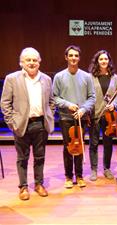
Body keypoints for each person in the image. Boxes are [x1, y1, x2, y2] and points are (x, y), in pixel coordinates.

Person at [0, 47, 55, 200]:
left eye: (34, 60)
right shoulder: (12, 78)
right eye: (28, 60)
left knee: (40, 156)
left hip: (40, 124)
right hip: (21, 125)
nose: (31, 63)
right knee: (22, 158)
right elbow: (5, 103)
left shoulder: (46, 79)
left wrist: (49, 115)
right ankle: (23, 187)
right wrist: (12, 123)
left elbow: (51, 101)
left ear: (39, 62)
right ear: (21, 62)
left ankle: (39, 183)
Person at [52, 45, 96, 189]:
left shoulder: (86, 76)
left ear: (79, 58)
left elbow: (92, 97)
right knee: (68, 147)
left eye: (76, 56)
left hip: (81, 118)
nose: (73, 58)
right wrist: (67, 104)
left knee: (79, 146)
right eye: (70, 55)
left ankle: (80, 175)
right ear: (66, 57)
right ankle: (68, 176)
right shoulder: (59, 76)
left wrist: (83, 109)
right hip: (65, 117)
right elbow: (55, 98)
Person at [88, 50, 117, 181]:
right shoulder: (90, 77)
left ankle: (107, 168)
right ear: (97, 61)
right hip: (95, 114)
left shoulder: (114, 77)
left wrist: (115, 105)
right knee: (93, 143)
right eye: (101, 59)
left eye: (106, 59)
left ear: (109, 61)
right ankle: (94, 169)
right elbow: (87, 95)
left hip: (109, 117)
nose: (103, 61)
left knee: (108, 143)